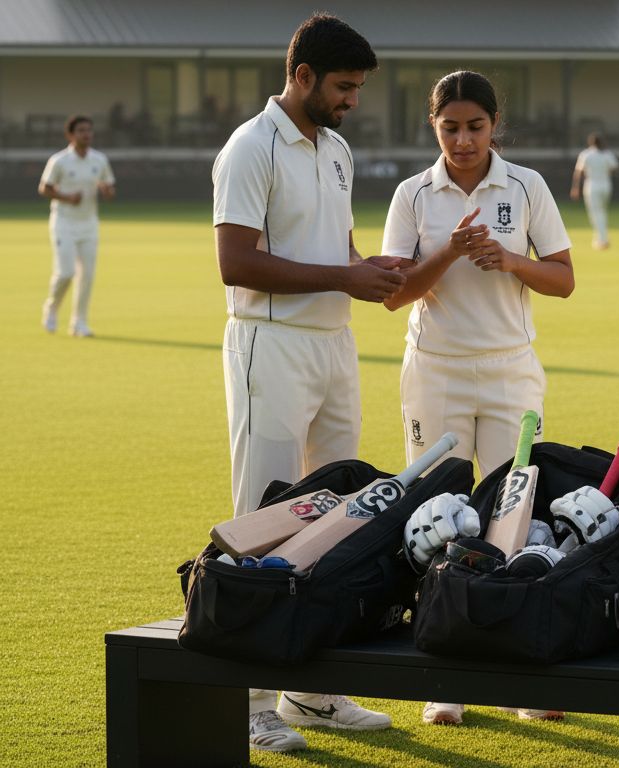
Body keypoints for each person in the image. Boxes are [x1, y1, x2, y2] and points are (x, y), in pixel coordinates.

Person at [211, 13, 405, 753]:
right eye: (344, 87)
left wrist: (373, 272)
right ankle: (251, 698)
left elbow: (339, 248)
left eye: (357, 88)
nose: (352, 99)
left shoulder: (337, 149)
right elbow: (237, 262)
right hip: (271, 345)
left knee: (336, 516)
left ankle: (312, 693)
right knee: (265, 516)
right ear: (301, 77)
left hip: (334, 346)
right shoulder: (250, 147)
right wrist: (344, 276)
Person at [380, 70, 574, 728]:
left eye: (476, 127)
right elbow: (395, 291)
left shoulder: (526, 187)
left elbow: (564, 279)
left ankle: (517, 670)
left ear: (495, 125)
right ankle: (447, 678)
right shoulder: (412, 195)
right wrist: (449, 252)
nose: (463, 140)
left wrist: (510, 261)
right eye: (450, 127)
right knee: (439, 516)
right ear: (433, 126)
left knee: (512, 514)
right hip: (434, 370)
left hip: (510, 371)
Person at [39, 115, 115, 337]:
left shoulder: (99, 160)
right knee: (66, 273)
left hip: (89, 224)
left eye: (89, 130)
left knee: (87, 275)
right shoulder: (59, 161)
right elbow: (45, 188)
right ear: (70, 135)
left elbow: (110, 190)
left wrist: (106, 191)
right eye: (81, 130)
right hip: (64, 222)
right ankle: (51, 307)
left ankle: (79, 322)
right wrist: (66, 197)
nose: (86, 134)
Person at [570, 132, 619, 249]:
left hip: (592, 185)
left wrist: (575, 188)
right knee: (601, 212)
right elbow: (615, 167)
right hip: (606, 185)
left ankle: (603, 240)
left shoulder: (586, 154)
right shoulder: (607, 154)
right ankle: (599, 238)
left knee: (596, 213)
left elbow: (578, 172)